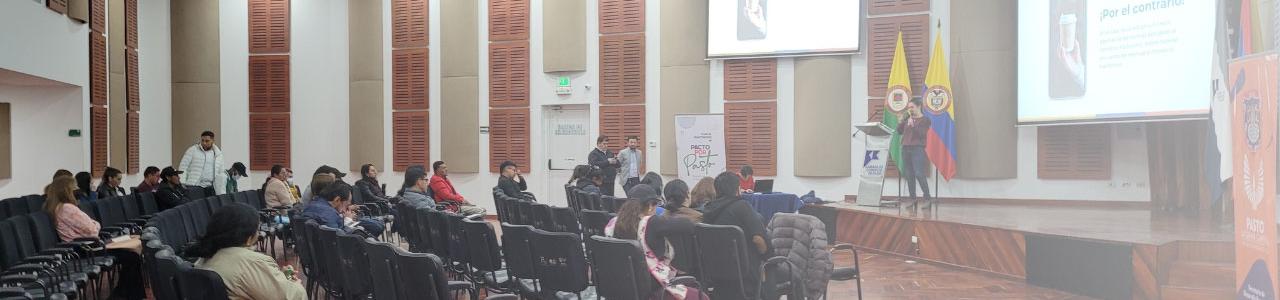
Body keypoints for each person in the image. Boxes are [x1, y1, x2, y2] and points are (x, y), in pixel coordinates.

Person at [44, 177, 146, 299]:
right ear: (67, 190)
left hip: (81, 247)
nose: (77, 190)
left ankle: (124, 293)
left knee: (129, 254)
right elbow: (92, 229)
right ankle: (125, 295)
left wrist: (94, 226)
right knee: (131, 256)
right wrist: (96, 225)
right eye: (74, 187)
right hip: (85, 249)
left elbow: (91, 227)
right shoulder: (67, 208)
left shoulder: (58, 207)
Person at [191, 203, 307, 300]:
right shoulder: (251, 262)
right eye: (257, 229)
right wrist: (292, 281)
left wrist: (276, 276)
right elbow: (293, 297)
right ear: (248, 238)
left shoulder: (204, 256)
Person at [605, 186, 702, 299]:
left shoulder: (613, 223)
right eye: (656, 205)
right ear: (650, 205)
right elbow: (687, 225)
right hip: (650, 287)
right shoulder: (651, 222)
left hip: (620, 285)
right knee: (700, 296)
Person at [702, 172, 771, 299]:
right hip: (746, 277)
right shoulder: (742, 206)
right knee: (793, 276)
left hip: (718, 277)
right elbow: (759, 240)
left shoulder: (707, 210)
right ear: (737, 189)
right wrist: (766, 257)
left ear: (717, 190)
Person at [302, 182, 383, 236]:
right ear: (337, 200)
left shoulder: (313, 204)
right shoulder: (329, 214)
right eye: (347, 204)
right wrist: (348, 220)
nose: (346, 208)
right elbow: (340, 240)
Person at [897, 97, 934, 208]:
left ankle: (927, 198)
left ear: (919, 106)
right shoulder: (908, 118)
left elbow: (922, 134)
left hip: (917, 149)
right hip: (905, 148)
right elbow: (899, 132)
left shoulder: (925, 120)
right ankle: (913, 199)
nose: (910, 109)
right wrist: (900, 122)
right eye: (909, 107)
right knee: (909, 175)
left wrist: (912, 125)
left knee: (919, 173)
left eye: (912, 107)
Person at [178, 131, 224, 195]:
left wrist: (220, 189)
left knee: (209, 205)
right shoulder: (192, 150)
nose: (204, 143)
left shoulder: (218, 154)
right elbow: (183, 167)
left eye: (207, 141)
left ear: (213, 141)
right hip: (194, 185)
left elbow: (221, 172)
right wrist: (182, 183)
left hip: (211, 188)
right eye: (202, 140)